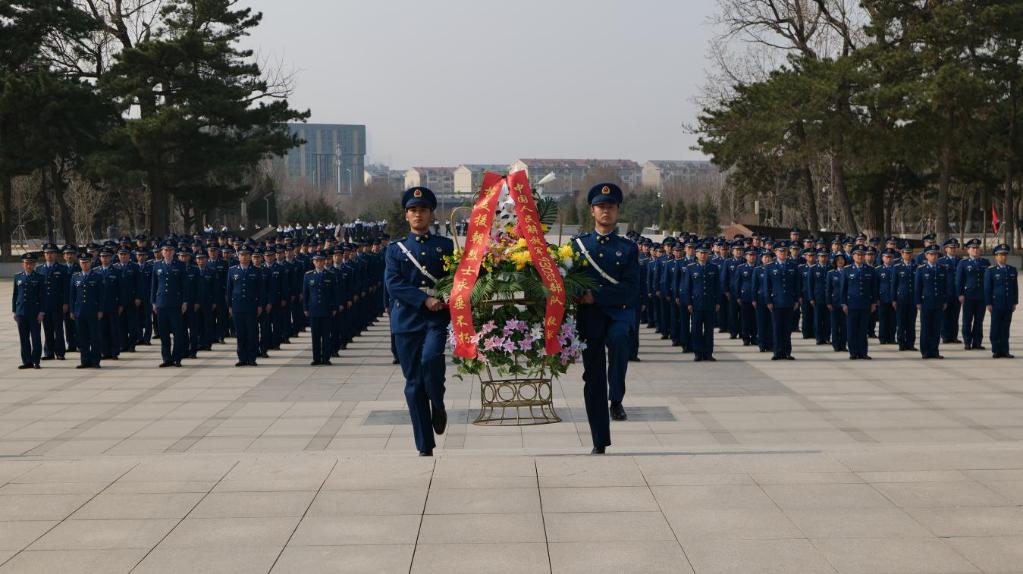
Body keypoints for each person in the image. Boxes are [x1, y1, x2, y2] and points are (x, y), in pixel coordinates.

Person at [384, 186, 453, 456]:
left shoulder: (446, 247)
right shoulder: (396, 250)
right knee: (413, 384)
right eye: (413, 210)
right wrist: (423, 299)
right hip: (407, 320)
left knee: (431, 359)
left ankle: (437, 401)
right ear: (406, 216)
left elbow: (460, 277)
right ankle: (425, 445)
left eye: (423, 210)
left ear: (431, 214)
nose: (418, 215)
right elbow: (393, 283)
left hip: (436, 318)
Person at [571, 183, 639, 454]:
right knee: (593, 377)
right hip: (590, 319)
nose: (606, 211)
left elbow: (631, 288)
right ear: (592, 211)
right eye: (601, 207)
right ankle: (599, 439)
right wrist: (579, 295)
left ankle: (617, 397)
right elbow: (568, 281)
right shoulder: (577, 246)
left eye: (610, 207)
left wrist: (595, 295)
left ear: (617, 211)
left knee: (620, 339)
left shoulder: (628, 248)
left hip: (619, 313)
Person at [151, 242, 186, 368]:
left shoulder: (180, 265)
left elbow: (184, 286)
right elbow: (154, 286)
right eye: (166, 250)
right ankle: (166, 359)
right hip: (161, 304)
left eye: (170, 250)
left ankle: (177, 358)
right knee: (163, 333)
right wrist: (153, 302)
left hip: (175, 304)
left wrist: (185, 301)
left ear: (174, 251)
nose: (168, 252)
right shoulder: (156, 265)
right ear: (162, 251)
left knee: (178, 333)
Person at [227, 246, 263, 366]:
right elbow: (229, 290)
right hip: (237, 307)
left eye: (247, 255)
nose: (244, 257)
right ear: (239, 256)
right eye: (242, 255)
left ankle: (252, 357)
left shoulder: (257, 270)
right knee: (240, 333)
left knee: (252, 333)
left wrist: (260, 305)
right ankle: (242, 358)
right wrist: (230, 306)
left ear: (250, 256)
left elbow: (260, 290)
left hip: (251, 306)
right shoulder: (232, 270)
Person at [841, 246, 878, 360]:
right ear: (853, 256)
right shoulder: (847, 270)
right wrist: (843, 303)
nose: (860, 256)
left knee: (863, 330)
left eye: (862, 254)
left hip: (865, 304)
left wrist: (873, 303)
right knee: (852, 330)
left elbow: (874, 288)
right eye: (857, 254)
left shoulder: (870, 270)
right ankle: (853, 352)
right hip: (851, 304)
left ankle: (863, 352)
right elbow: (843, 289)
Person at [685, 243, 720, 361]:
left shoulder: (713, 268)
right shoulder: (691, 268)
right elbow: (687, 288)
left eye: (705, 253)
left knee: (709, 330)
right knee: (696, 329)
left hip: (710, 303)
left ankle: (708, 353)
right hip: (696, 304)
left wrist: (718, 302)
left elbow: (717, 287)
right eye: (701, 253)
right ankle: (697, 352)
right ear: (696, 254)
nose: (703, 255)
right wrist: (689, 303)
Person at [765, 242, 800, 360]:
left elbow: (797, 285)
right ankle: (777, 351)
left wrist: (796, 300)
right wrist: (768, 301)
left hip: (789, 301)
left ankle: (787, 352)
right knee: (777, 328)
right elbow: (767, 286)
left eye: (784, 251)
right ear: (775, 252)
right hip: (776, 302)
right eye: (780, 251)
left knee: (787, 329)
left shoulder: (793, 266)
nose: (783, 253)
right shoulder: (770, 267)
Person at [70, 252, 104, 369]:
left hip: (93, 311)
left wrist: (100, 310)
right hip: (79, 311)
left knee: (94, 337)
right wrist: (72, 311)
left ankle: (95, 361)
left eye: (86, 262)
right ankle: (85, 361)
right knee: (82, 338)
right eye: (82, 262)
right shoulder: (75, 276)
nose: (84, 264)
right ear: (79, 263)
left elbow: (101, 295)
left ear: (90, 263)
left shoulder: (97, 276)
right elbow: (72, 296)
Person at [304, 252, 338, 365]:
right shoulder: (308, 275)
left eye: (321, 260)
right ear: (313, 262)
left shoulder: (330, 275)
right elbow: (305, 294)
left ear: (325, 261)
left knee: (326, 336)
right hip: (313, 310)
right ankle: (316, 358)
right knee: (315, 336)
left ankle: (326, 358)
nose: (319, 262)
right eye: (316, 260)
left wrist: (334, 307)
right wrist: (305, 308)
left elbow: (334, 293)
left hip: (326, 309)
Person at [984, 244, 1017, 358]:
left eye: (1005, 255)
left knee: (1005, 328)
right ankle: (996, 350)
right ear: (996, 257)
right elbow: (987, 288)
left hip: (1008, 303)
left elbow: (1015, 288)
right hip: (996, 303)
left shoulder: (1011, 270)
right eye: (1001, 255)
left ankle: (1005, 350)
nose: (1003, 257)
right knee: (996, 327)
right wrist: (988, 303)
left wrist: (1014, 302)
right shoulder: (991, 271)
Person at [915, 245, 948, 359]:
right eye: (931, 254)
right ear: (926, 255)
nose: (934, 256)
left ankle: (934, 350)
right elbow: (918, 287)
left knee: (936, 328)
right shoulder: (921, 269)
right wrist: (918, 302)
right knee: (926, 327)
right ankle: (925, 351)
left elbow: (944, 287)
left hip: (938, 302)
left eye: (935, 254)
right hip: (926, 302)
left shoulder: (942, 268)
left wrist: (944, 301)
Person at [13, 253, 44, 369]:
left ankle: (36, 360)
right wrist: (14, 311)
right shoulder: (18, 277)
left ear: (34, 264)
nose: (29, 265)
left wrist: (41, 312)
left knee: (36, 338)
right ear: (23, 264)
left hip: (34, 313)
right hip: (21, 312)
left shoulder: (40, 277)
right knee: (24, 338)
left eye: (31, 263)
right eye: (26, 263)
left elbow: (42, 297)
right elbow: (15, 295)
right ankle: (27, 361)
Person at [956, 239, 989, 351]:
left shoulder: (985, 262)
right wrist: (960, 294)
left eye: (977, 248)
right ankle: (967, 341)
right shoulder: (963, 263)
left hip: (981, 296)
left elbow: (988, 281)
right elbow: (959, 280)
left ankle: (977, 342)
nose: (975, 250)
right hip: (968, 296)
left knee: (979, 320)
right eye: (973, 248)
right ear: (968, 250)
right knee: (967, 320)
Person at [38, 244, 68, 360]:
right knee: (47, 329)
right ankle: (49, 352)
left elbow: (65, 288)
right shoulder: (39, 269)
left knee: (58, 329)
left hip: (57, 304)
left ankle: (60, 352)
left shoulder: (62, 269)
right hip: (44, 305)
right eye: (47, 253)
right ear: (44, 255)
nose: (49, 255)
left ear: (56, 254)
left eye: (51, 253)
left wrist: (65, 303)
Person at [894, 244, 918, 351]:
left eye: (909, 253)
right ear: (902, 254)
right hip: (901, 299)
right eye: (906, 253)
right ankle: (901, 343)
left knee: (911, 323)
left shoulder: (917, 267)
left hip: (912, 299)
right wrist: (893, 299)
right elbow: (894, 285)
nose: (908, 255)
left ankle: (910, 343)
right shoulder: (897, 267)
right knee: (901, 322)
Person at [876, 249, 898, 345]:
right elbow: (875, 285)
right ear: (882, 258)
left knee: (893, 320)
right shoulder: (878, 270)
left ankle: (891, 338)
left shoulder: (896, 268)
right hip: (882, 298)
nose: (889, 259)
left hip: (894, 298)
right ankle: (882, 338)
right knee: (883, 319)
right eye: (887, 257)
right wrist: (876, 298)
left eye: (891, 257)